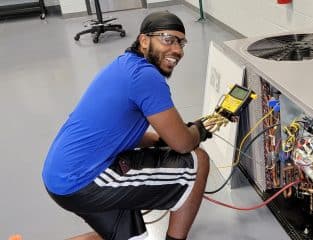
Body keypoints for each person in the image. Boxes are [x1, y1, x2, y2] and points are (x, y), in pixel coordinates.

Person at [42, 11, 212, 240]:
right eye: (168, 39)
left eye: (181, 43)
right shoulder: (145, 77)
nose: (178, 50)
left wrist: (157, 139)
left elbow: (115, 129)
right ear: (144, 40)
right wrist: (197, 131)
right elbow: (182, 144)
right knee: (197, 160)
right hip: (84, 180)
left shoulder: (124, 65)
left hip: (60, 175)